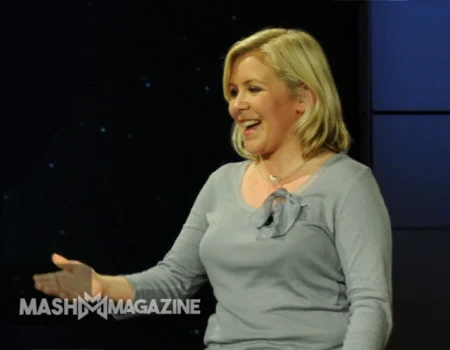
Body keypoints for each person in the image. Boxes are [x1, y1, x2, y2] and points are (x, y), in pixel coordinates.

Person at [33, 27, 393, 350]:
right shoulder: (221, 182)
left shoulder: (348, 184)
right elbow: (174, 282)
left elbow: (371, 304)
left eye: (253, 89)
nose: (237, 105)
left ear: (303, 99)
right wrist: (102, 288)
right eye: (233, 92)